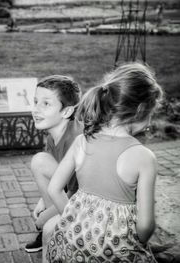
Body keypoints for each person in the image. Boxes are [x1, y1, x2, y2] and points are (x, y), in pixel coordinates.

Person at [46, 62, 163, 262]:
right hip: (115, 253)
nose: (150, 120)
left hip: (72, 244)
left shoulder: (82, 141)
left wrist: (72, 221)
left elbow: (54, 189)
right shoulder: (143, 156)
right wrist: (137, 242)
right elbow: (145, 226)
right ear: (141, 109)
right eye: (151, 113)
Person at [25, 75, 83, 253]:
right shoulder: (53, 136)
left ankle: (54, 228)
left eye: (46, 104)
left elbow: (76, 194)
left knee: (45, 222)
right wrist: (43, 202)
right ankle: (50, 226)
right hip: (70, 194)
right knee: (40, 160)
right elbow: (58, 179)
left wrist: (44, 218)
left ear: (66, 112)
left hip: (88, 202)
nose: (36, 109)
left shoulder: (75, 139)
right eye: (35, 102)